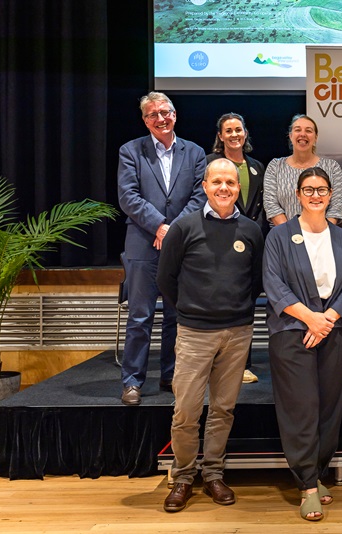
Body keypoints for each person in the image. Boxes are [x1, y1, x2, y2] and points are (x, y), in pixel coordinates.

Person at [157, 158, 264, 513]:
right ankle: (184, 476)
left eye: (230, 183)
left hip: (237, 334)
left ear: (238, 188)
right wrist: (191, 310)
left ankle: (214, 474)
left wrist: (235, 310)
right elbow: (165, 280)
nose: (224, 188)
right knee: (186, 412)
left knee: (223, 409)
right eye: (217, 182)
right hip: (193, 333)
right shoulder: (183, 228)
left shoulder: (251, 230)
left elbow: (257, 281)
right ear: (204, 185)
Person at [263, 167, 342, 521]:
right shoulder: (280, 236)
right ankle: (306, 485)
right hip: (292, 332)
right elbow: (273, 284)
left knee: (330, 408)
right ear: (298, 195)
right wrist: (311, 318)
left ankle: (316, 473)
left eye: (321, 189)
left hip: (333, 330)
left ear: (331, 194)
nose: (316, 195)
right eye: (308, 189)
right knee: (301, 408)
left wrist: (328, 318)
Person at [117, 91, 206, 406]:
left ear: (175, 114)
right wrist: (159, 226)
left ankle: (170, 375)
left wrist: (173, 231)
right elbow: (128, 196)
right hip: (142, 244)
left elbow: (199, 197)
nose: (161, 119)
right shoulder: (131, 151)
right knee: (140, 316)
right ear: (145, 120)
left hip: (182, 246)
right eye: (153, 114)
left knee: (175, 316)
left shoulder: (194, 152)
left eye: (165, 112)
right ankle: (132, 382)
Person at [206, 112, 267, 384]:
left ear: (245, 134)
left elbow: (262, 208)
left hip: (250, 242)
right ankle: (214, 364)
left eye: (238, 130)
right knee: (216, 299)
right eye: (228, 130)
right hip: (217, 240)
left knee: (246, 302)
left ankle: (243, 364)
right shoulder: (210, 164)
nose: (234, 134)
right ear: (220, 136)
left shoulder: (256, 166)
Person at [263, 114, 342, 226]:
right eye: (297, 130)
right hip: (284, 237)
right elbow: (271, 205)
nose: (303, 134)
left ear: (315, 137)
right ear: (290, 136)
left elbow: (335, 208)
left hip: (322, 238)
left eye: (309, 131)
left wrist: (320, 235)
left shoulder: (332, 167)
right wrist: (291, 234)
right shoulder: (275, 166)